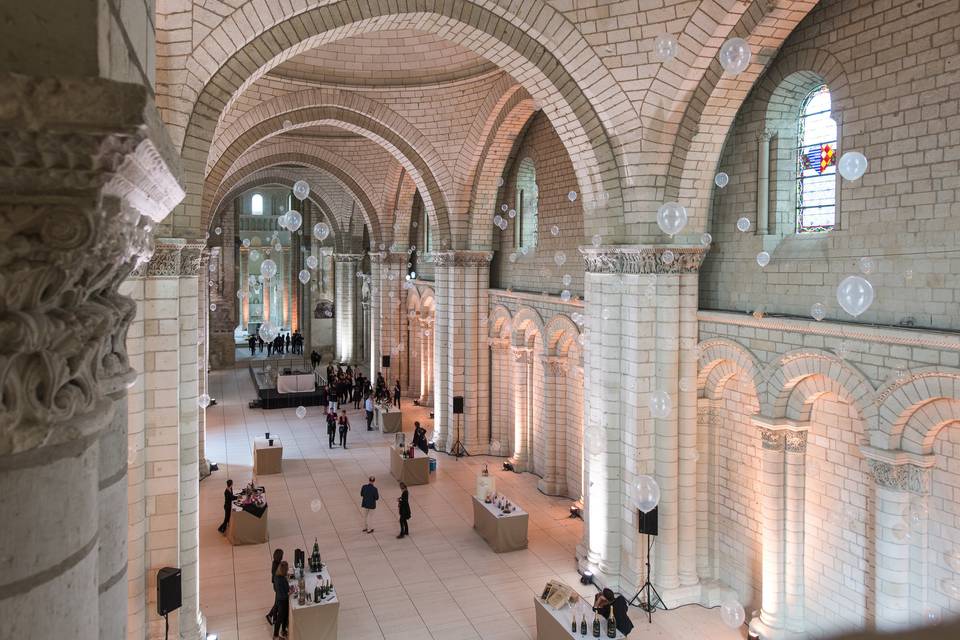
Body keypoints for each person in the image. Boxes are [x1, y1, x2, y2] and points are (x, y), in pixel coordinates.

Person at [266, 548, 284, 626]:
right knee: (278, 602)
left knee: (277, 602)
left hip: (276, 585)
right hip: (278, 586)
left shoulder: (275, 563)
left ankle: (274, 617)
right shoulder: (277, 566)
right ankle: (270, 615)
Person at [272, 560, 290, 639]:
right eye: (287, 569)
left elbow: (276, 589)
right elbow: (284, 594)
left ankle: (283, 631)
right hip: (282, 601)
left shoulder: (277, 576)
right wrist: (291, 592)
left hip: (279, 599)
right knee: (280, 618)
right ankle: (275, 636)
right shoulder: (281, 580)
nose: (288, 570)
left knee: (285, 616)